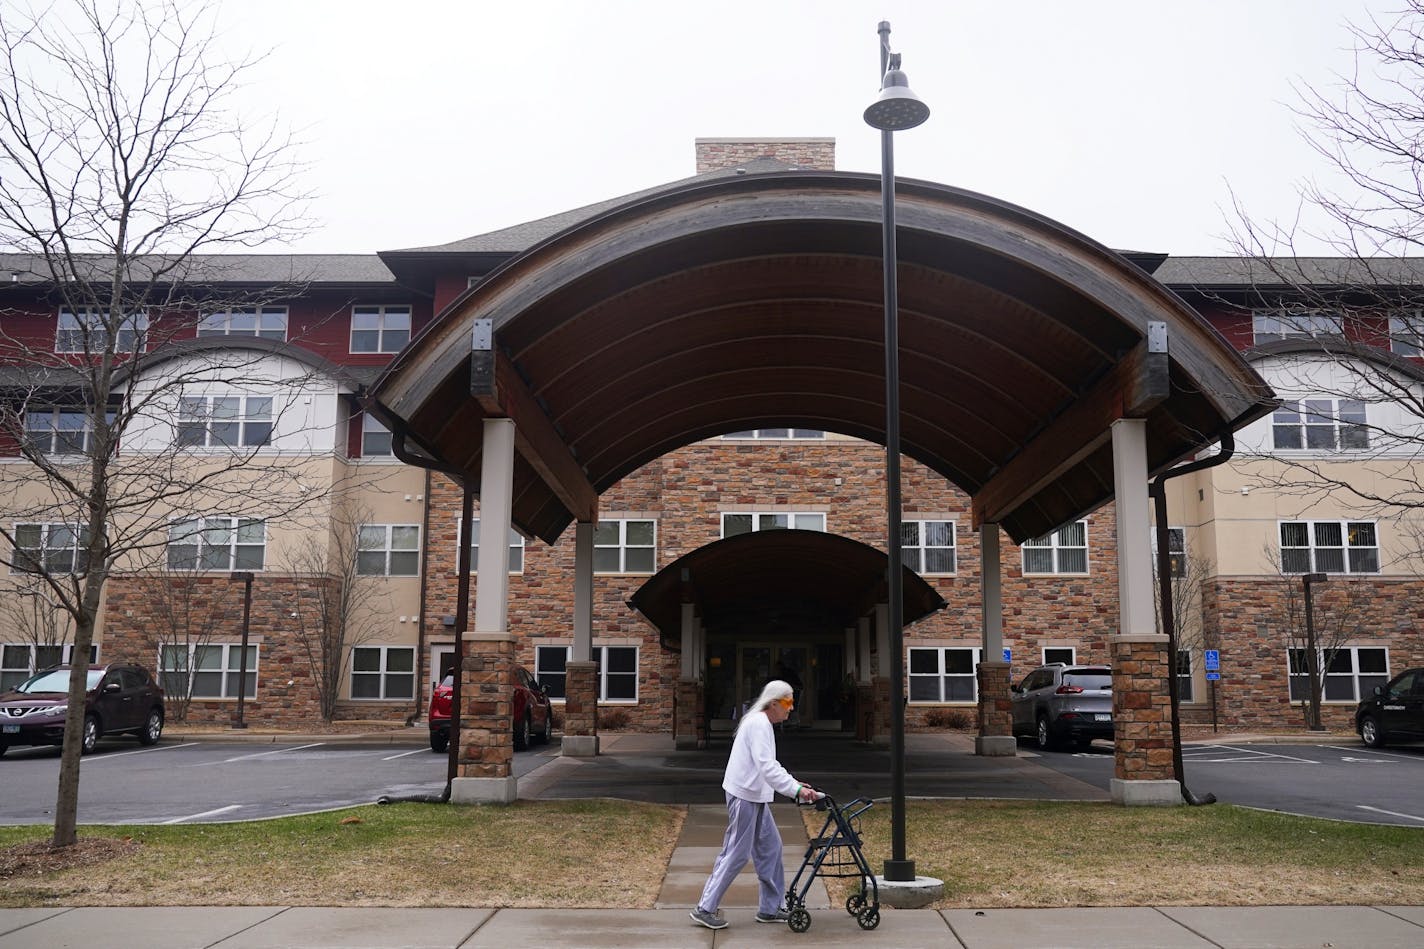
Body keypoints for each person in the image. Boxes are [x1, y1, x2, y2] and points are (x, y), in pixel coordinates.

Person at [689, 679, 822, 931]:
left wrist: (795, 784)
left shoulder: (761, 723)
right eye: (788, 702)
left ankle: (770, 909)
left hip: (754, 796)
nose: (791, 708)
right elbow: (768, 767)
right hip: (744, 797)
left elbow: (769, 766)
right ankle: (704, 908)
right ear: (773, 703)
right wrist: (796, 790)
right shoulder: (759, 724)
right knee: (736, 853)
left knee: (771, 848)